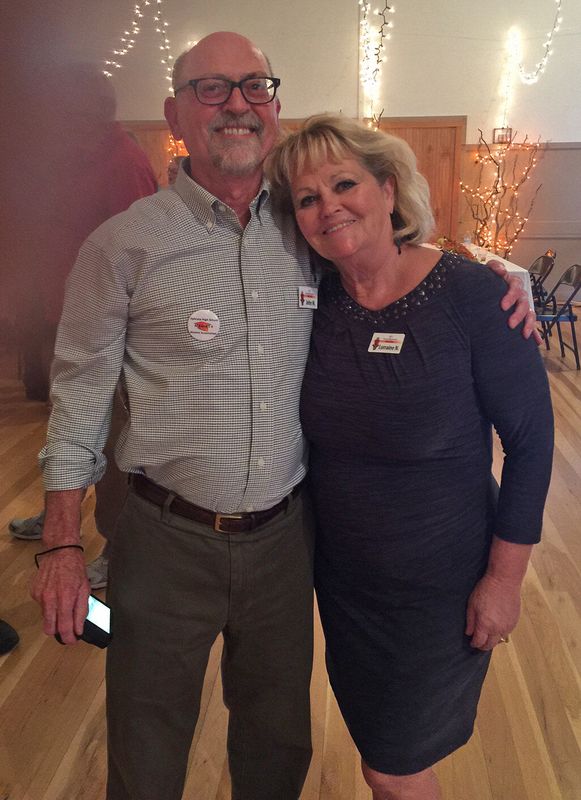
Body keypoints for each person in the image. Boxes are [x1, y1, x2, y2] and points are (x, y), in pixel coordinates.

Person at [30, 33, 534, 800]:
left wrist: (494, 273)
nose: (235, 103)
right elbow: (78, 396)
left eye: (253, 86)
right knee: (145, 742)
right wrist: (62, 544)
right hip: (164, 539)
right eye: (210, 88)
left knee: (276, 742)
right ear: (174, 113)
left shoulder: (304, 235)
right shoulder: (122, 245)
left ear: (273, 107)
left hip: (285, 543)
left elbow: (390, 259)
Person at [266, 114, 554, 800]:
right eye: (307, 198)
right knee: (381, 750)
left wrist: (505, 580)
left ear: (388, 189)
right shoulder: (310, 300)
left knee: (391, 768)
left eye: (344, 184)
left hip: (442, 584)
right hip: (346, 585)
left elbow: (531, 443)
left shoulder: (473, 296)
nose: (328, 207)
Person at [9, 63, 157, 590]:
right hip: (61, 313)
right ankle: (59, 514)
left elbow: (141, 257)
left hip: (109, 330)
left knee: (115, 446)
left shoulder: (123, 162)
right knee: (66, 425)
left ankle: (117, 549)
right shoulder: (67, 160)